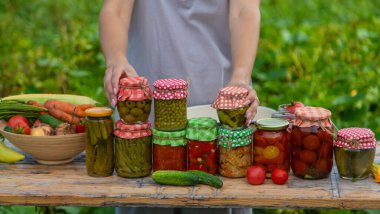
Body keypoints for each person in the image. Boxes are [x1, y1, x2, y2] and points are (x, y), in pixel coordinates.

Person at [100, 0, 261, 213]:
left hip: (222, 118)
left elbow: (244, 11)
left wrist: (241, 75)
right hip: (143, 120)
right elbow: (115, 10)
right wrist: (116, 59)